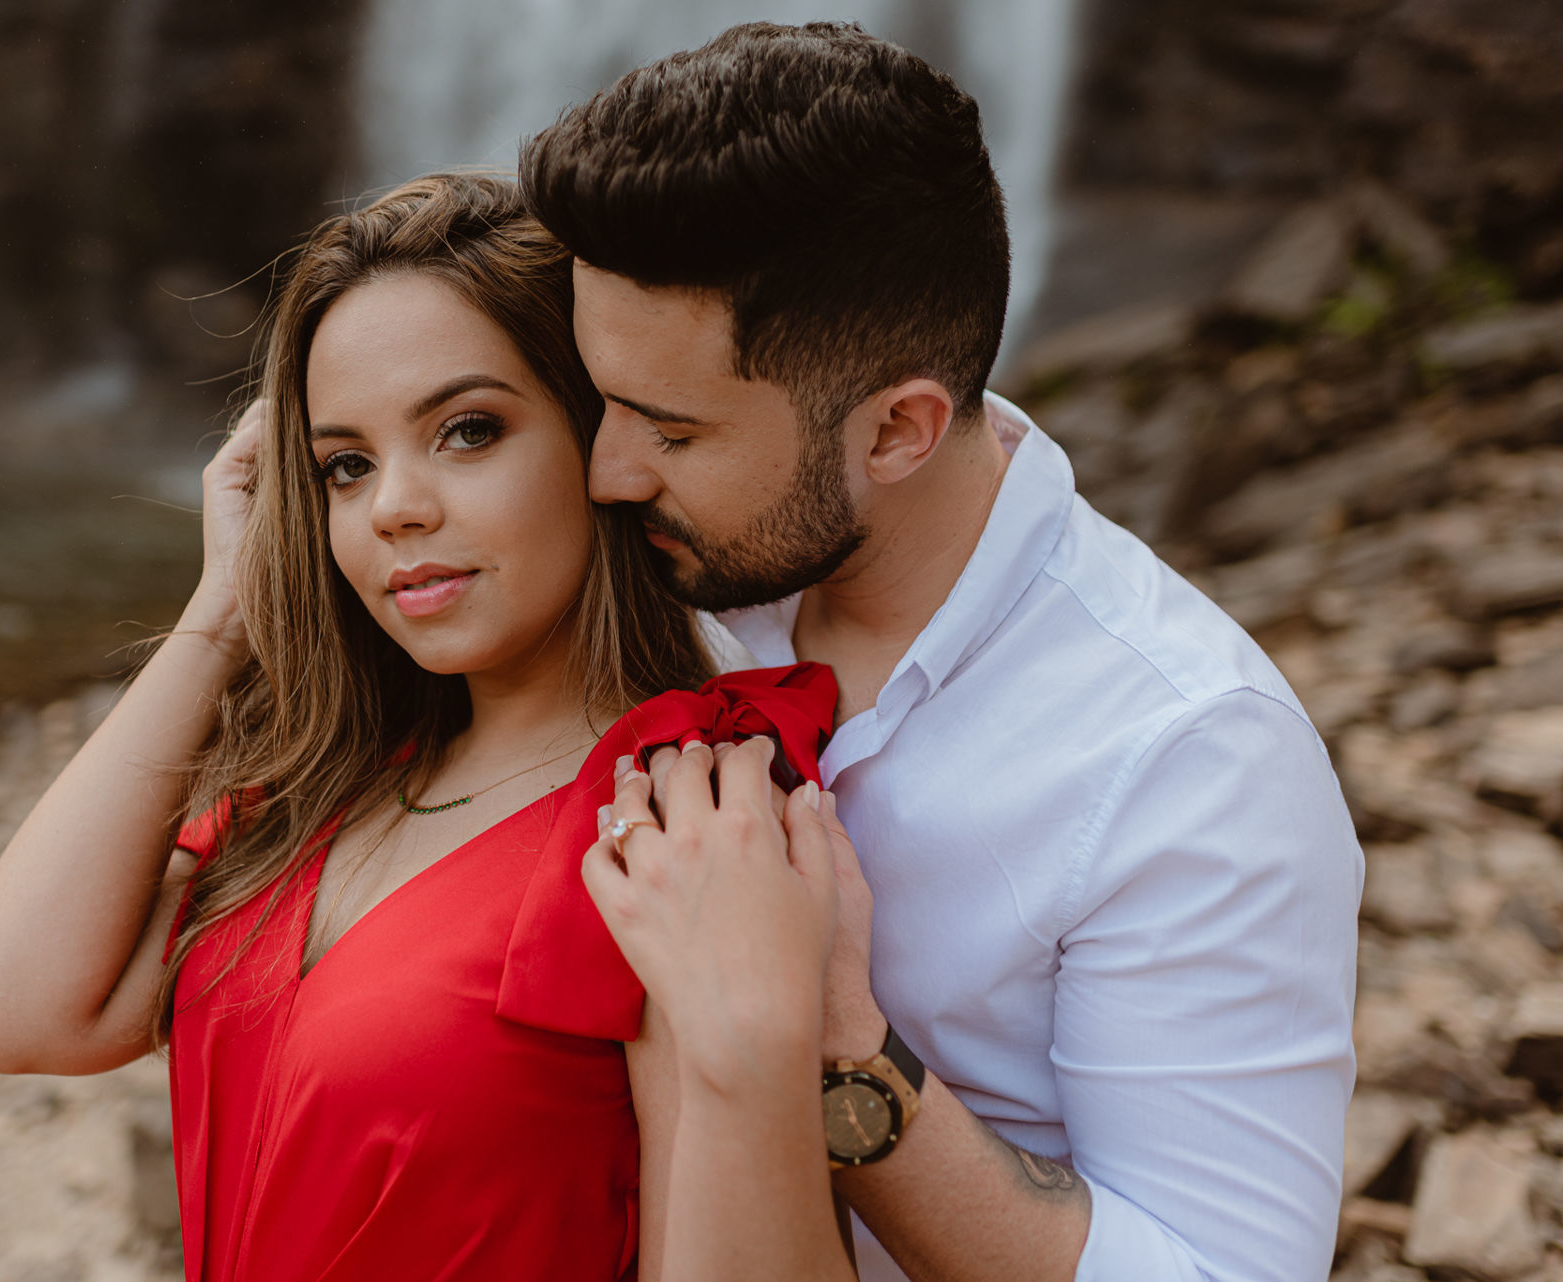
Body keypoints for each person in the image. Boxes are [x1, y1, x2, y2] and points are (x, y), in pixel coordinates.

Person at [522, 21, 1363, 1282]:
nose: (603, 469)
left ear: (901, 430)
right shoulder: (645, 576)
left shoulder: (1192, 757)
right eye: (602, 400)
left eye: (671, 429)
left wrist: (836, 1044)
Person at [0, 173, 867, 1281]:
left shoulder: (672, 818)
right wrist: (224, 607)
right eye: (344, 465)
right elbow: (7, 1011)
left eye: (468, 431)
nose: (393, 508)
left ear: (601, 442)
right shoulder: (322, 796)